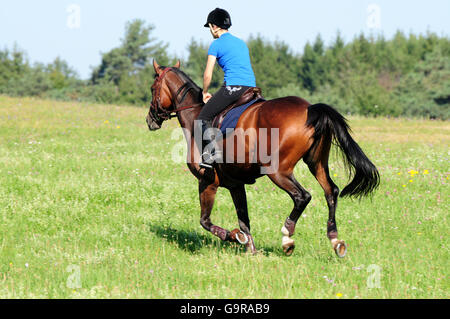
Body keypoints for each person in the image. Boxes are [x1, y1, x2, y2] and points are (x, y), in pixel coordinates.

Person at [197, 8, 257, 169]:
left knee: (202, 118)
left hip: (233, 88)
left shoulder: (216, 44)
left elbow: (207, 74)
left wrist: (204, 92)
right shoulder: (241, 42)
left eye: (209, 27)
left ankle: (210, 156)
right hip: (251, 88)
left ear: (214, 26)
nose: (210, 30)